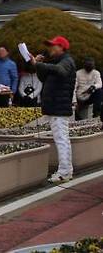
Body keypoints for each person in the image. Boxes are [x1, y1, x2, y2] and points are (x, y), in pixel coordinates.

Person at [30, 36, 76, 183]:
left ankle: (64, 172)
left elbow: (60, 71)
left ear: (61, 47)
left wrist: (39, 65)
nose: (50, 48)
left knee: (61, 139)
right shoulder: (56, 62)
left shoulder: (66, 61)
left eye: (53, 46)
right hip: (56, 107)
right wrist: (38, 64)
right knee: (62, 139)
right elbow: (44, 77)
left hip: (59, 107)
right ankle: (66, 170)